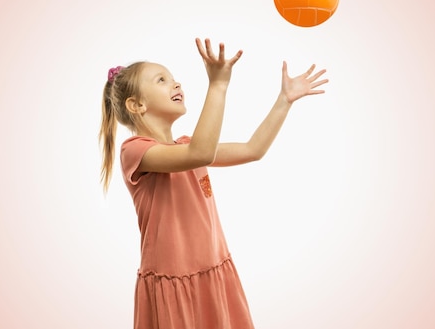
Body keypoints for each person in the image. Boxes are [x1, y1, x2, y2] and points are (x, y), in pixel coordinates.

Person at [99, 37, 328, 329]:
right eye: (161, 80)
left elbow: (253, 149)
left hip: (214, 271)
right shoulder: (135, 150)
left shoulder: (186, 146)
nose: (176, 83)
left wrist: (284, 100)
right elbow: (202, 153)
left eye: (173, 78)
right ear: (137, 104)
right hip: (175, 285)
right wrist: (218, 85)